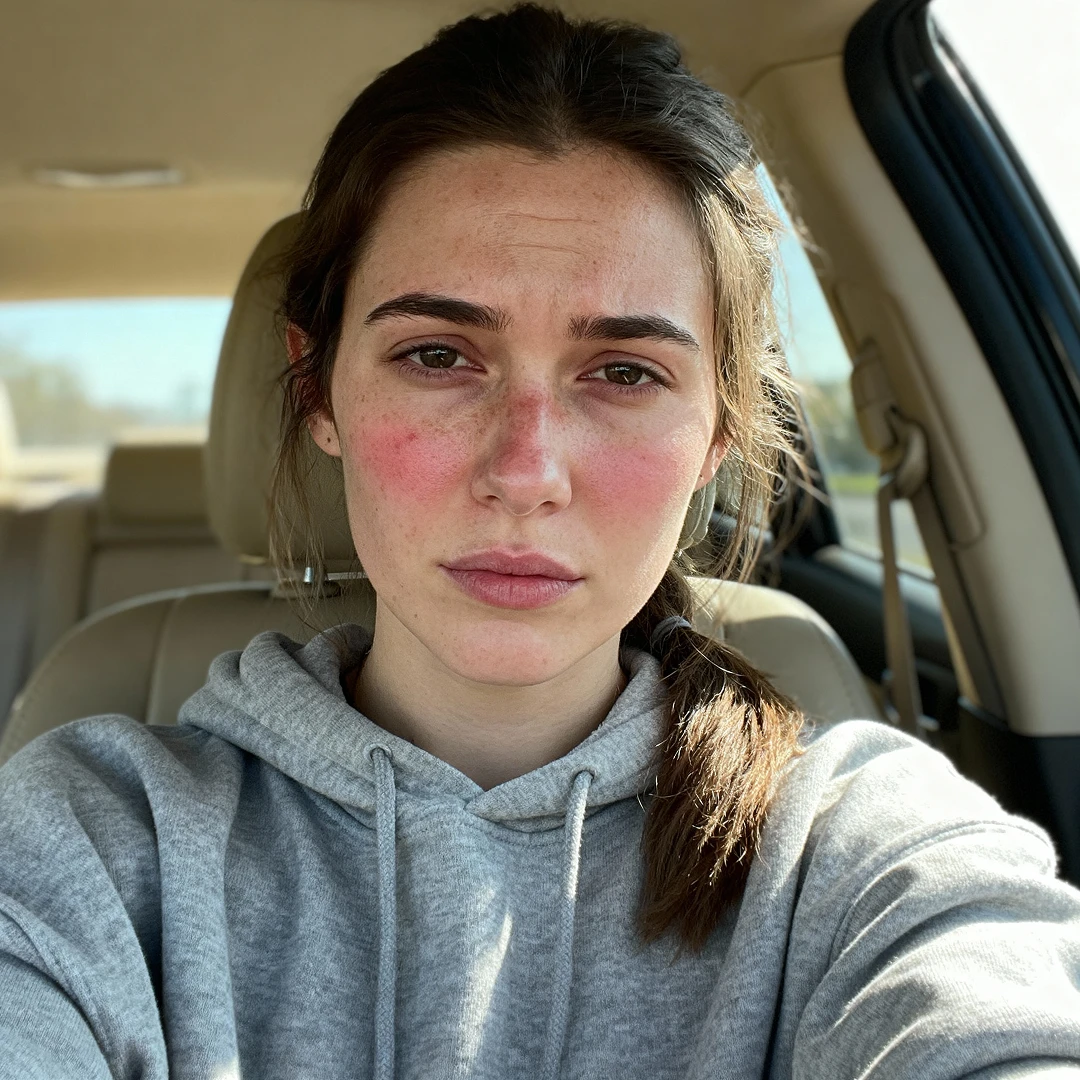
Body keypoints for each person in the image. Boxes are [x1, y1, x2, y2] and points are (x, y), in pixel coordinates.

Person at [1, 5, 1079, 1078]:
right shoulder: (91, 838)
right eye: (437, 355)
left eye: (625, 373)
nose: (525, 472)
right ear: (318, 389)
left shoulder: (857, 844)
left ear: (718, 431)